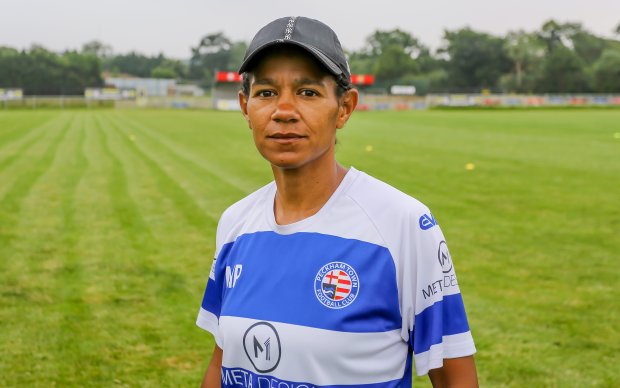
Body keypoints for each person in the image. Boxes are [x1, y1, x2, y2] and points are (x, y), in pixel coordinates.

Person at [197, 16, 478, 388]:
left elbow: (455, 380)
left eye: (308, 92)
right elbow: (222, 363)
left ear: (344, 107)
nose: (284, 110)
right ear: (245, 106)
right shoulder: (235, 224)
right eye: (266, 92)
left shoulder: (403, 224)